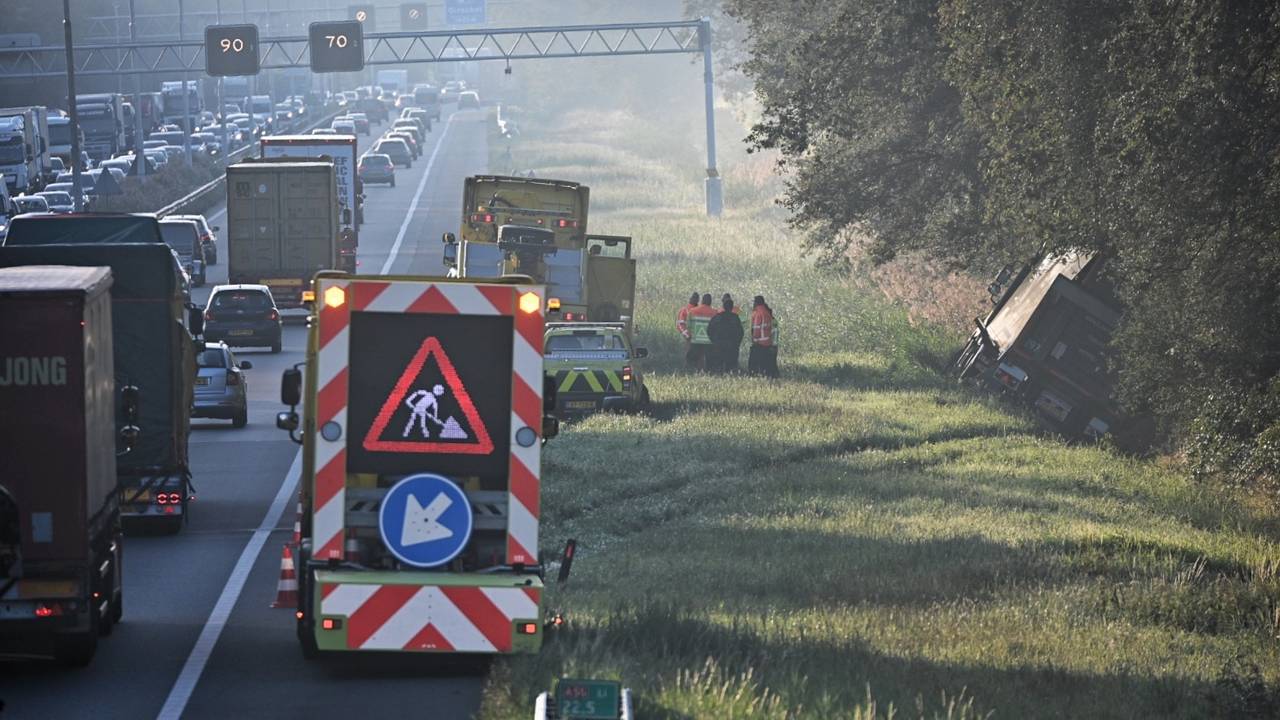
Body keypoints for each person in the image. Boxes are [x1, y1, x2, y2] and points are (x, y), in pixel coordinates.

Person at [707, 297, 745, 373]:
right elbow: (740, 332)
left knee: (717, 365)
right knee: (730, 366)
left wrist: (714, 341)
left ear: (723, 307)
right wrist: (736, 343)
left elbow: (709, 330)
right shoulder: (735, 318)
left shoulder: (717, 317)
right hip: (732, 346)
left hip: (718, 345)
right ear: (732, 307)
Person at [749, 295, 780, 378]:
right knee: (766, 364)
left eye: (754, 302)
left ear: (757, 303)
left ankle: (755, 375)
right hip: (768, 343)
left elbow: (756, 329)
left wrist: (754, 341)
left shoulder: (757, 313)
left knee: (754, 364)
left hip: (759, 343)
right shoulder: (767, 313)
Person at [685, 293, 717, 370]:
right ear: (710, 302)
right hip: (709, 342)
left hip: (696, 340)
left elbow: (688, 326)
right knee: (709, 362)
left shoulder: (692, 311)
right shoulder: (715, 313)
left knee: (691, 360)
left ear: (702, 301)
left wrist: (689, 337)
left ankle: (691, 372)